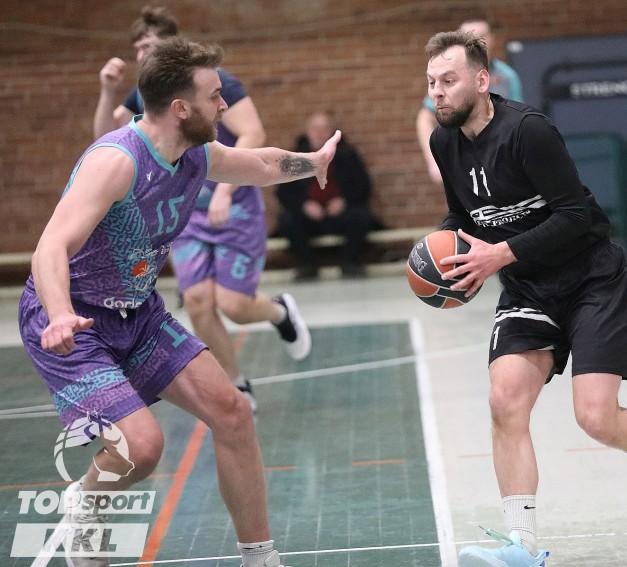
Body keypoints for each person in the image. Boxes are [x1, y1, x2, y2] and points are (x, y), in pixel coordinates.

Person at [20, 37, 341, 567]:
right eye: (214, 96)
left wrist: (313, 161)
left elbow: (258, 164)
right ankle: (86, 499)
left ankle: (260, 557)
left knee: (233, 412)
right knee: (142, 449)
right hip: (75, 319)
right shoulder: (117, 161)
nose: (224, 105)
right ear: (181, 108)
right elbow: (49, 247)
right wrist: (58, 315)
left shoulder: (195, 154)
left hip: (139, 313)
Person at [422, 31, 627, 566]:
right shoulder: (443, 142)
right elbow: (462, 213)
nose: (438, 92)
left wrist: (499, 254)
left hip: (591, 278)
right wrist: (445, 252)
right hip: (528, 287)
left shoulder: (528, 130)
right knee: (504, 401)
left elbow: (574, 216)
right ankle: (522, 545)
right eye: (432, 82)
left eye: (448, 80)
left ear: (481, 80)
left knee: (596, 418)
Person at [93, 5, 307, 412]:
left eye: (149, 45)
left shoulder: (216, 84)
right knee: (196, 302)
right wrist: (107, 91)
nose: (141, 54)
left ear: (171, 47)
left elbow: (254, 133)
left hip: (234, 207)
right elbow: (106, 138)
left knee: (234, 305)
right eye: (137, 47)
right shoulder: (146, 95)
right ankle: (237, 385)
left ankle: (278, 312)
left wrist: (224, 191)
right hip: (186, 211)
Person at [415, 17, 522, 185]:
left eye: (480, 37)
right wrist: (434, 161)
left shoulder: (507, 76)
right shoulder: (447, 76)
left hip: (501, 162)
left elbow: (517, 118)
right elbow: (425, 117)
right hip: (465, 161)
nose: (474, 42)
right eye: (468, 37)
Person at [276, 111, 378, 280]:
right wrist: (304, 205)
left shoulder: (347, 155)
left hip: (341, 214)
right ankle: (308, 264)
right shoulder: (295, 158)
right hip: (307, 216)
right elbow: (284, 192)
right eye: (315, 128)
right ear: (307, 131)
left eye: (324, 129)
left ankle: (349, 262)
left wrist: (344, 201)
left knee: (361, 216)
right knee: (287, 221)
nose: (319, 133)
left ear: (331, 132)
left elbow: (362, 185)